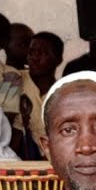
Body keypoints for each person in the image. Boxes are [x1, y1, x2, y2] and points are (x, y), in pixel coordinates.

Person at [19, 31, 64, 159]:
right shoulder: (15, 79)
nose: (34, 57)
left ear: (58, 59)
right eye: (31, 52)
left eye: (42, 53)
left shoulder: (62, 94)